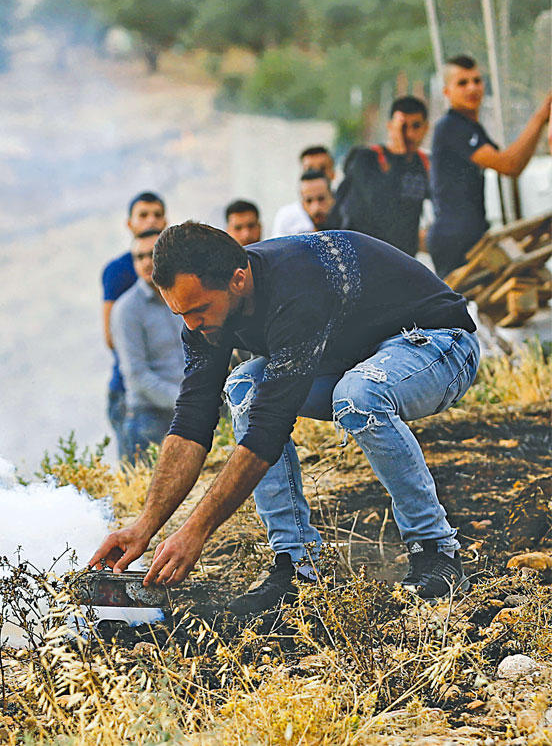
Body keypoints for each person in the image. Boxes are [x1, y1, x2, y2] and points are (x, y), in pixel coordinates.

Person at [89, 223, 479, 617]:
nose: (190, 324)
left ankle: (437, 551)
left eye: (199, 310)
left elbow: (267, 432)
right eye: (181, 313)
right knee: (243, 386)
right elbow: (191, 421)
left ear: (238, 280)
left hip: (440, 343)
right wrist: (144, 526)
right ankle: (297, 566)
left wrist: (195, 532)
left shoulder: (299, 286)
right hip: (354, 359)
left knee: (358, 396)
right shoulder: (207, 316)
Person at [427, 55, 552, 277]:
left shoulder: (472, 128)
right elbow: (509, 164)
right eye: (462, 83)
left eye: (477, 80)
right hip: (455, 239)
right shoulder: (452, 127)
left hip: (474, 234)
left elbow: (515, 164)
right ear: (446, 92)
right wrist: (541, 116)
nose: (472, 88)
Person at [111, 229, 185, 464]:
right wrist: (187, 400)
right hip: (149, 419)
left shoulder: (182, 295)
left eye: (151, 255)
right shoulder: (126, 309)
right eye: (139, 257)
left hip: (188, 410)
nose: (145, 262)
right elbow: (136, 376)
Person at [102, 193, 168, 456]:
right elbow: (111, 337)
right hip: (132, 391)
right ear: (129, 223)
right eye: (143, 215)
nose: (150, 220)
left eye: (157, 214)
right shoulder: (119, 272)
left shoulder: (178, 272)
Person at [332, 96, 430, 256]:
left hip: (403, 259)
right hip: (363, 255)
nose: (409, 134)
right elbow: (379, 204)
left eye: (416, 126)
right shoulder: (367, 158)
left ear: (426, 128)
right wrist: (399, 155)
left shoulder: (423, 164)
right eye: (403, 127)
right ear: (390, 127)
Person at [270, 146, 335, 237]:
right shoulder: (286, 217)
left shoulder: (349, 211)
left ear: (333, 172)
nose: (316, 173)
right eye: (310, 169)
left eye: (322, 168)